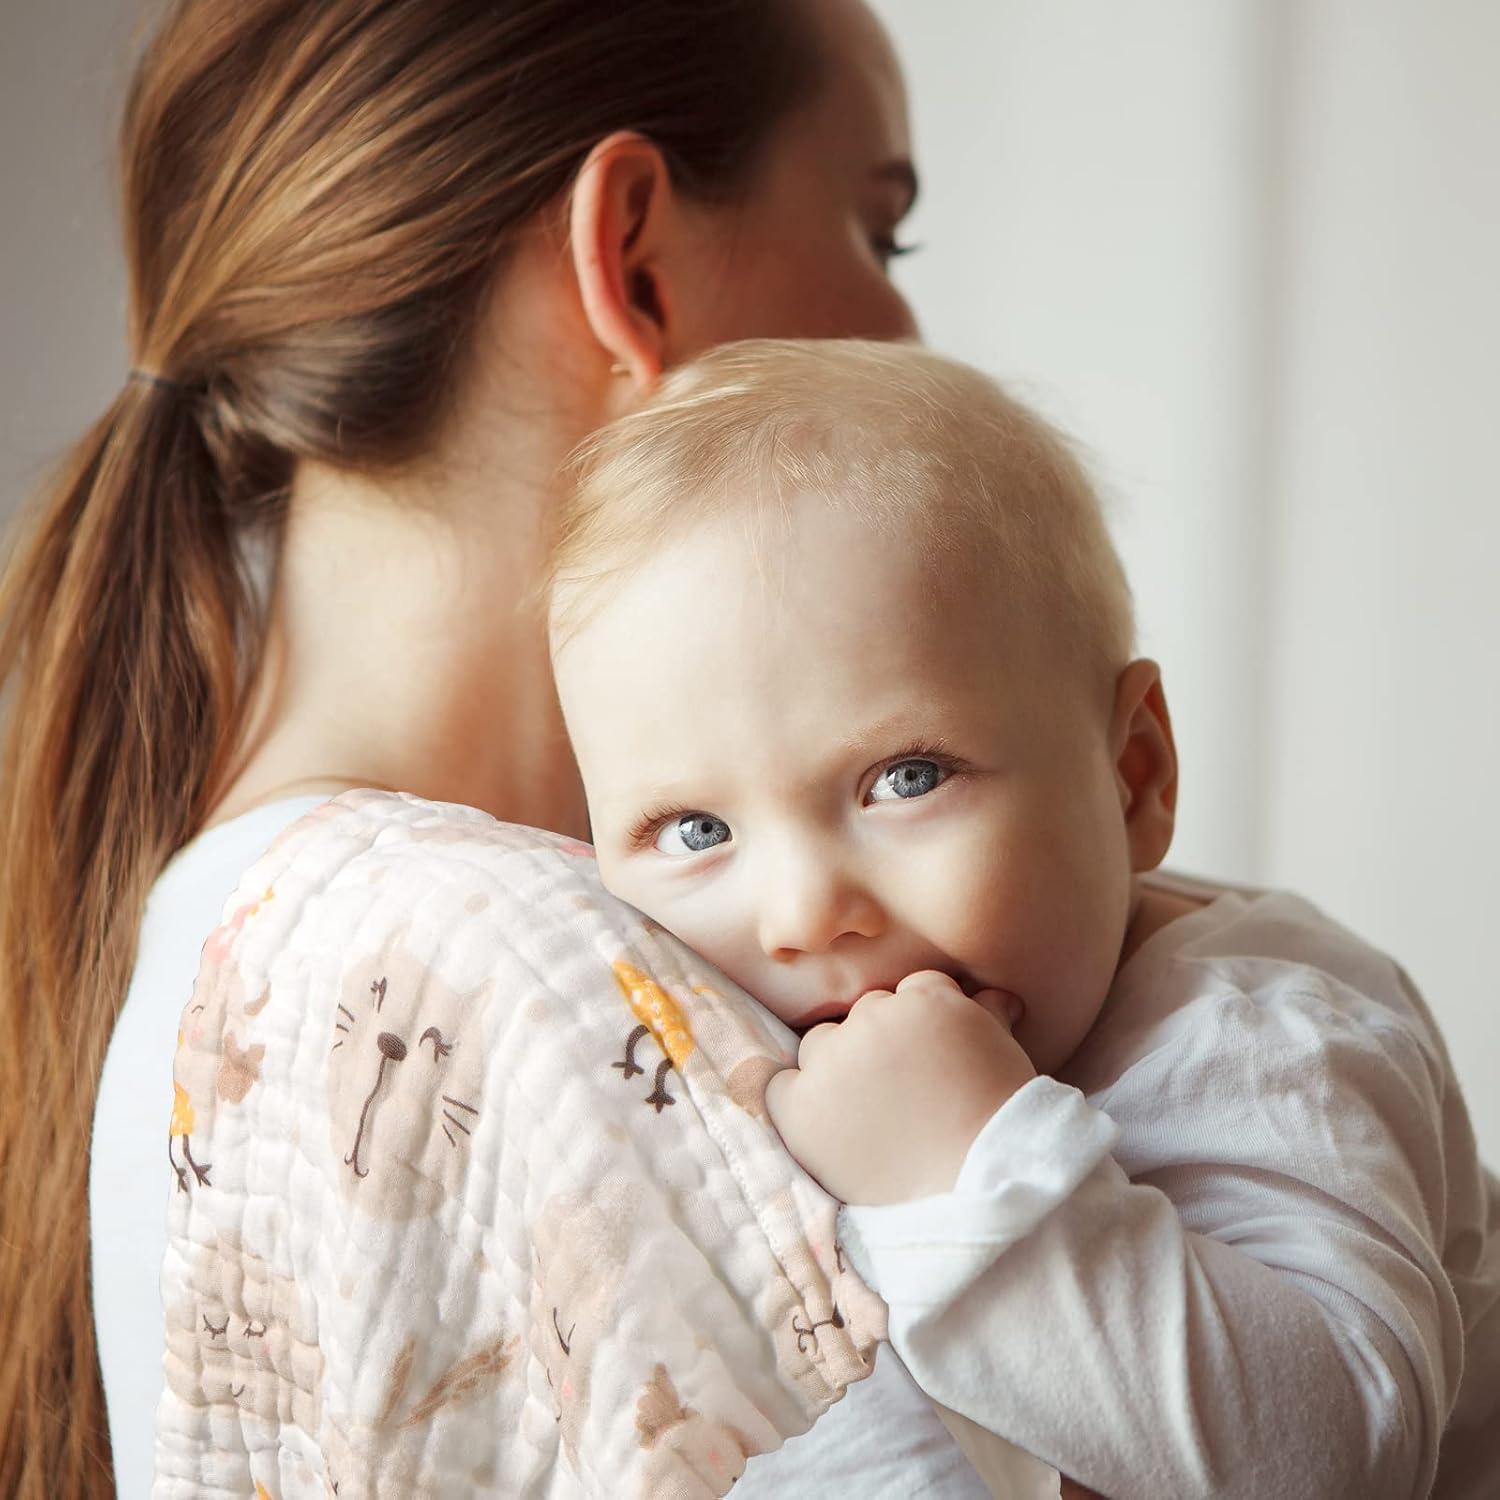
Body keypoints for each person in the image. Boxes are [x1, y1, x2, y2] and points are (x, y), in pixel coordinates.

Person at [0, 3, 999, 1497]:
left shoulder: (230, 921)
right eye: (877, 234)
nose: (910, 336)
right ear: (636, 260)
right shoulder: (529, 978)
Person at [546, 338, 1500, 1499]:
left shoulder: (1261, 1038)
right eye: (697, 830)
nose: (803, 915)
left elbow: (1338, 1454)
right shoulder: (699, 1056)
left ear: (1134, 772)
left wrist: (962, 1174)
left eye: (905, 778)